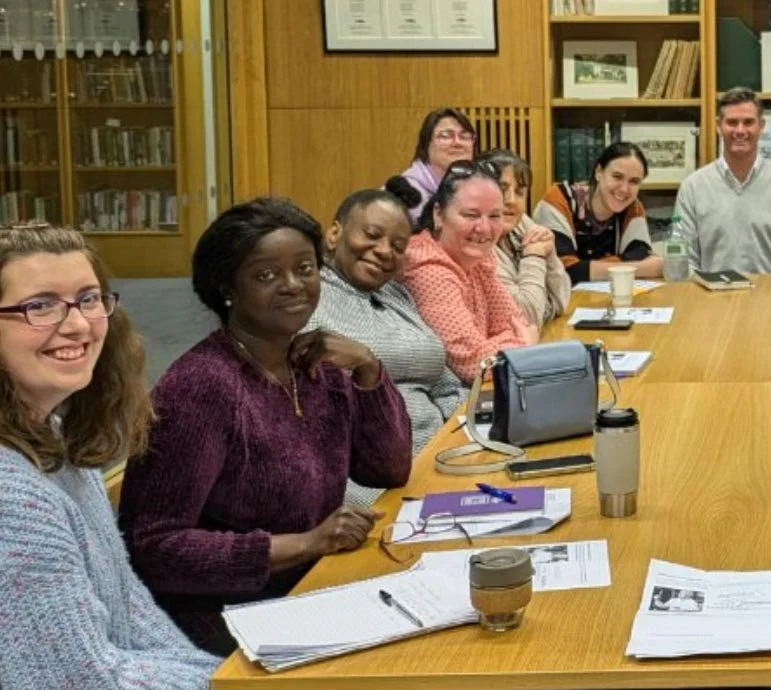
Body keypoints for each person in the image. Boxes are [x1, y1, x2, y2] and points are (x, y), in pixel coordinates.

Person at [120, 198, 413, 655]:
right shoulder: (201, 388)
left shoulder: (319, 365)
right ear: (226, 287)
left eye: (305, 268)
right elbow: (156, 548)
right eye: (266, 275)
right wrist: (305, 543)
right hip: (224, 623)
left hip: (311, 589)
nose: (293, 286)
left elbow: (388, 470)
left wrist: (369, 369)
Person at [0, 225, 218, 688]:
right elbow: (82, 681)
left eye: (88, 299)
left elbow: (129, 609)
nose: (78, 324)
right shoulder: (12, 501)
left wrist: (221, 677)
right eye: (40, 305)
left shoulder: (57, 437)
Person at [305, 178, 466, 461]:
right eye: (371, 234)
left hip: (443, 451)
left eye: (398, 245)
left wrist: (467, 434)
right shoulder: (305, 300)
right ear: (333, 234)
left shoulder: (395, 293)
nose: (384, 250)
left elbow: (444, 381)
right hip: (375, 474)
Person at [399, 161, 538, 383]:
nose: (484, 228)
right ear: (438, 214)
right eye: (471, 215)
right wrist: (525, 345)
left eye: (494, 216)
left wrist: (502, 345)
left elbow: (519, 322)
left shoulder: (477, 259)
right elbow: (473, 364)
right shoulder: (427, 269)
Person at [675, 87, 771, 274]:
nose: (740, 130)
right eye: (732, 122)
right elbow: (684, 259)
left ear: (761, 126)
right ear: (718, 126)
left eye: (748, 122)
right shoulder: (692, 187)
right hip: (710, 298)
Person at [531, 142, 663, 285]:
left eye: (634, 181)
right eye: (617, 176)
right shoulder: (558, 200)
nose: (624, 189)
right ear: (599, 172)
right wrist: (641, 268)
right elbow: (562, 271)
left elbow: (640, 255)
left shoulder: (633, 208)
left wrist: (586, 268)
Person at [476, 149, 571, 323]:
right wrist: (535, 254)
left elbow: (562, 300)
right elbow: (527, 317)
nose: (511, 200)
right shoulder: (477, 245)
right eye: (502, 189)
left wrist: (549, 256)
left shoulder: (520, 223)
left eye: (520, 192)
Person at [400, 108, 478, 224]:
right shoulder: (403, 193)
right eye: (446, 136)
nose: (457, 143)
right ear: (427, 144)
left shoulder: (477, 186)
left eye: (464, 136)